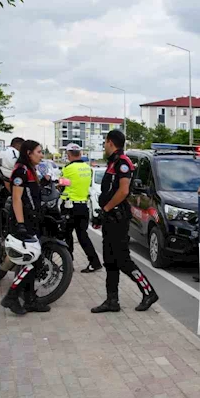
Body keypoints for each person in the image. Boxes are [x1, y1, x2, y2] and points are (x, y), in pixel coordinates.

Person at [91, 130, 159, 313]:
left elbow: (123, 191)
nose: (104, 146)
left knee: (123, 260)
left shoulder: (122, 162)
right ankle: (112, 301)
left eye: (105, 142)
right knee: (110, 260)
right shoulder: (113, 162)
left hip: (118, 218)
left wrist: (105, 209)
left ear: (110, 142)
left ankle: (149, 292)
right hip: (110, 218)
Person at [0, 140, 51, 315]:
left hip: (32, 219)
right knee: (29, 261)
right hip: (24, 222)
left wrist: (44, 183)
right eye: (39, 152)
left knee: (33, 261)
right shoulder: (21, 170)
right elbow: (17, 198)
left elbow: (32, 194)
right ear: (28, 152)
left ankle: (29, 299)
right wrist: (21, 224)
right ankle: (11, 297)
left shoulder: (30, 170)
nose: (41, 155)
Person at [61, 143, 103, 273]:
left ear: (68, 155)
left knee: (66, 235)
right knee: (83, 235)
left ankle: (68, 264)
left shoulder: (67, 169)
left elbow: (62, 184)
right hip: (83, 206)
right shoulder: (87, 168)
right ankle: (95, 262)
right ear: (80, 154)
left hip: (70, 207)